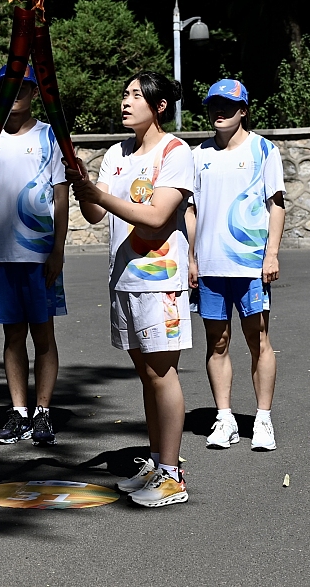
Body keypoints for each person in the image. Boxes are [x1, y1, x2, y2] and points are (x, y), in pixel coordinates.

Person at [67, 71, 193, 508]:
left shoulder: (176, 152)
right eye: (124, 94)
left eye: (136, 96)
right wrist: (82, 186)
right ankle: (158, 461)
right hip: (124, 278)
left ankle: (173, 475)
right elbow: (95, 215)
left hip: (160, 281)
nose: (126, 102)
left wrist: (99, 197)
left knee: (163, 373)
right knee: (146, 375)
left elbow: (158, 216)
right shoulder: (116, 154)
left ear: (159, 107)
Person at [187, 79, 285, 451]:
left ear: (244, 110)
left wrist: (271, 253)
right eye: (213, 105)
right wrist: (192, 258)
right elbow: (191, 211)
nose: (219, 111)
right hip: (210, 267)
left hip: (250, 267)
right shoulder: (198, 155)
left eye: (228, 105)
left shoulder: (263, 150)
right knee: (218, 342)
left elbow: (276, 204)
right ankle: (225, 418)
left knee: (257, 340)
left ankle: (262, 420)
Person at [0, 64, 68, 446]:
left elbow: (61, 196)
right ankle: (18, 412)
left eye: (22, 88)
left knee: (43, 335)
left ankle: (43, 412)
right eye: (8, 87)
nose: (14, 93)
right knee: (12, 336)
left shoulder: (50, 137)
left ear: (34, 93)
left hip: (38, 253)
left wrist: (58, 251)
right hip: (0, 256)